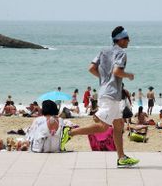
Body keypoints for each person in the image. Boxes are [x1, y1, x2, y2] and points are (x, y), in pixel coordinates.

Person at [60, 26, 139, 167]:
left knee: (119, 124)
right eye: (127, 38)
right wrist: (129, 75)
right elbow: (117, 72)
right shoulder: (121, 53)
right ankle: (70, 132)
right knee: (103, 127)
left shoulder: (103, 51)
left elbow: (91, 68)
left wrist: (103, 80)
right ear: (120, 39)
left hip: (105, 91)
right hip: (112, 94)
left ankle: (121, 158)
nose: (129, 41)